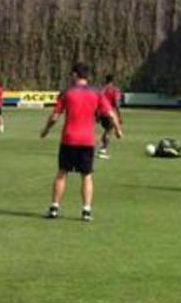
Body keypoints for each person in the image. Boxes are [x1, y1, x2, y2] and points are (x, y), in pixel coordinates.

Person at [40, 63, 122, 222]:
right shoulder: (96, 93)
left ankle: (54, 208)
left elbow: (55, 116)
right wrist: (118, 130)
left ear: (75, 75)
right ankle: (86, 210)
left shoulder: (67, 93)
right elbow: (111, 114)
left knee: (62, 173)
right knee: (87, 176)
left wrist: (46, 130)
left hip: (69, 139)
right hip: (87, 140)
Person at [98, 75, 122, 158]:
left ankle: (102, 148)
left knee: (107, 130)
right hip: (109, 112)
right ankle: (103, 150)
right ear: (113, 81)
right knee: (109, 131)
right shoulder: (115, 90)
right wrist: (119, 116)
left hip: (101, 112)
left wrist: (97, 114)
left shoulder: (102, 89)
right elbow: (116, 103)